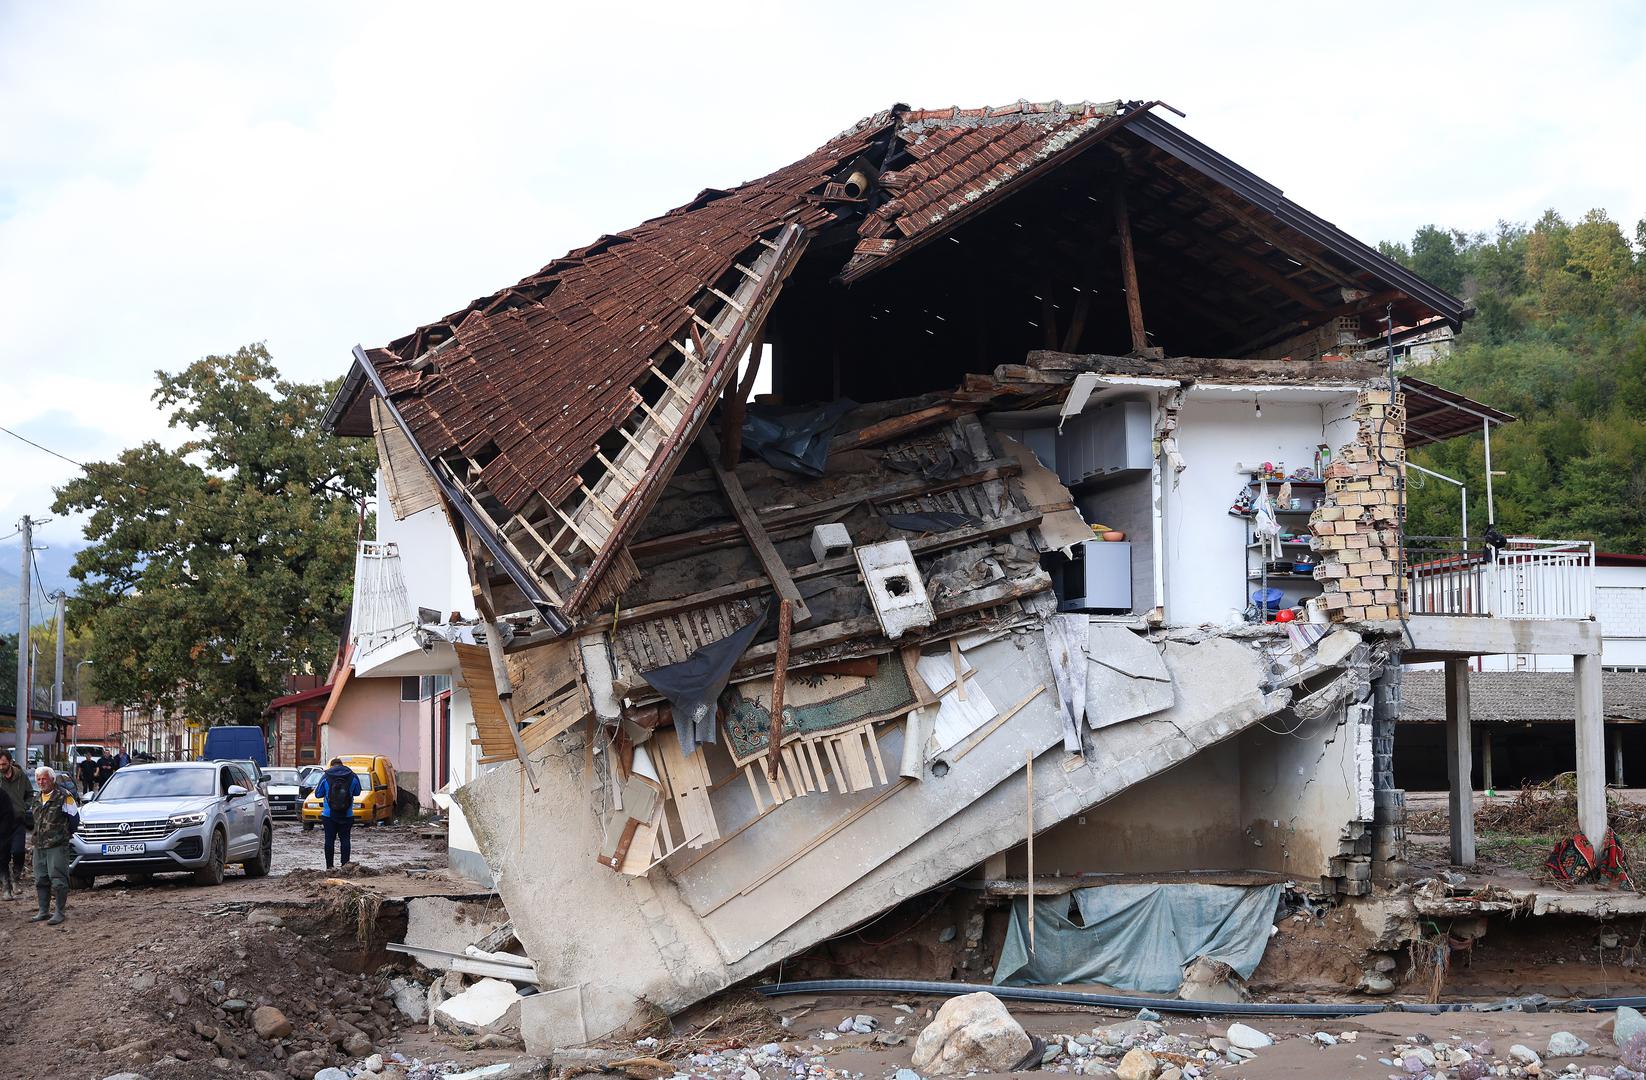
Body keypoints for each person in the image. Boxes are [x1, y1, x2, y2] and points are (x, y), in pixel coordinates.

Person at [30, 766, 78, 925]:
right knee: (40, 879)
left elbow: (74, 820)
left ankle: (59, 912)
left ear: (52, 779)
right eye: (38, 779)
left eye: (44, 778)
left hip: (57, 845)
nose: (41, 782)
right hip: (39, 846)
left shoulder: (64, 796)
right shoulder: (37, 798)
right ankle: (43, 911)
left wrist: (62, 836)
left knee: (58, 879)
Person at [313, 757, 361, 870]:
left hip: (329, 815)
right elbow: (358, 792)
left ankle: (329, 866)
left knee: (329, 840)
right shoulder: (352, 776)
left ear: (332, 765)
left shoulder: (326, 776)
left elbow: (318, 794)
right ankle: (345, 865)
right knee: (345, 839)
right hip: (347, 814)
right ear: (342, 765)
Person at [0, 750, 30, 902]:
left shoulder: (21, 777)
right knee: (2, 855)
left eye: (4, 764)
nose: (1, 767)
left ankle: (15, 879)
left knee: (18, 851)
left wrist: (24, 806)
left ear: (10, 762)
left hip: (17, 820)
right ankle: (6, 887)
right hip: (1, 823)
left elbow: (30, 794)